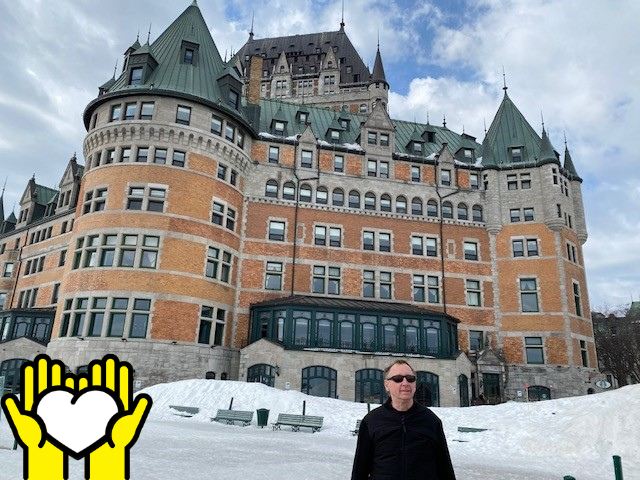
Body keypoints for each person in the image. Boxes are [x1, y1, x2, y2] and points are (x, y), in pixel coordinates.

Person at [351, 360, 457, 479]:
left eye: (410, 379)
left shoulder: (430, 420)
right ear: (387, 385)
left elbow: (445, 468)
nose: (405, 383)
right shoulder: (371, 421)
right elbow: (360, 470)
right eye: (398, 379)